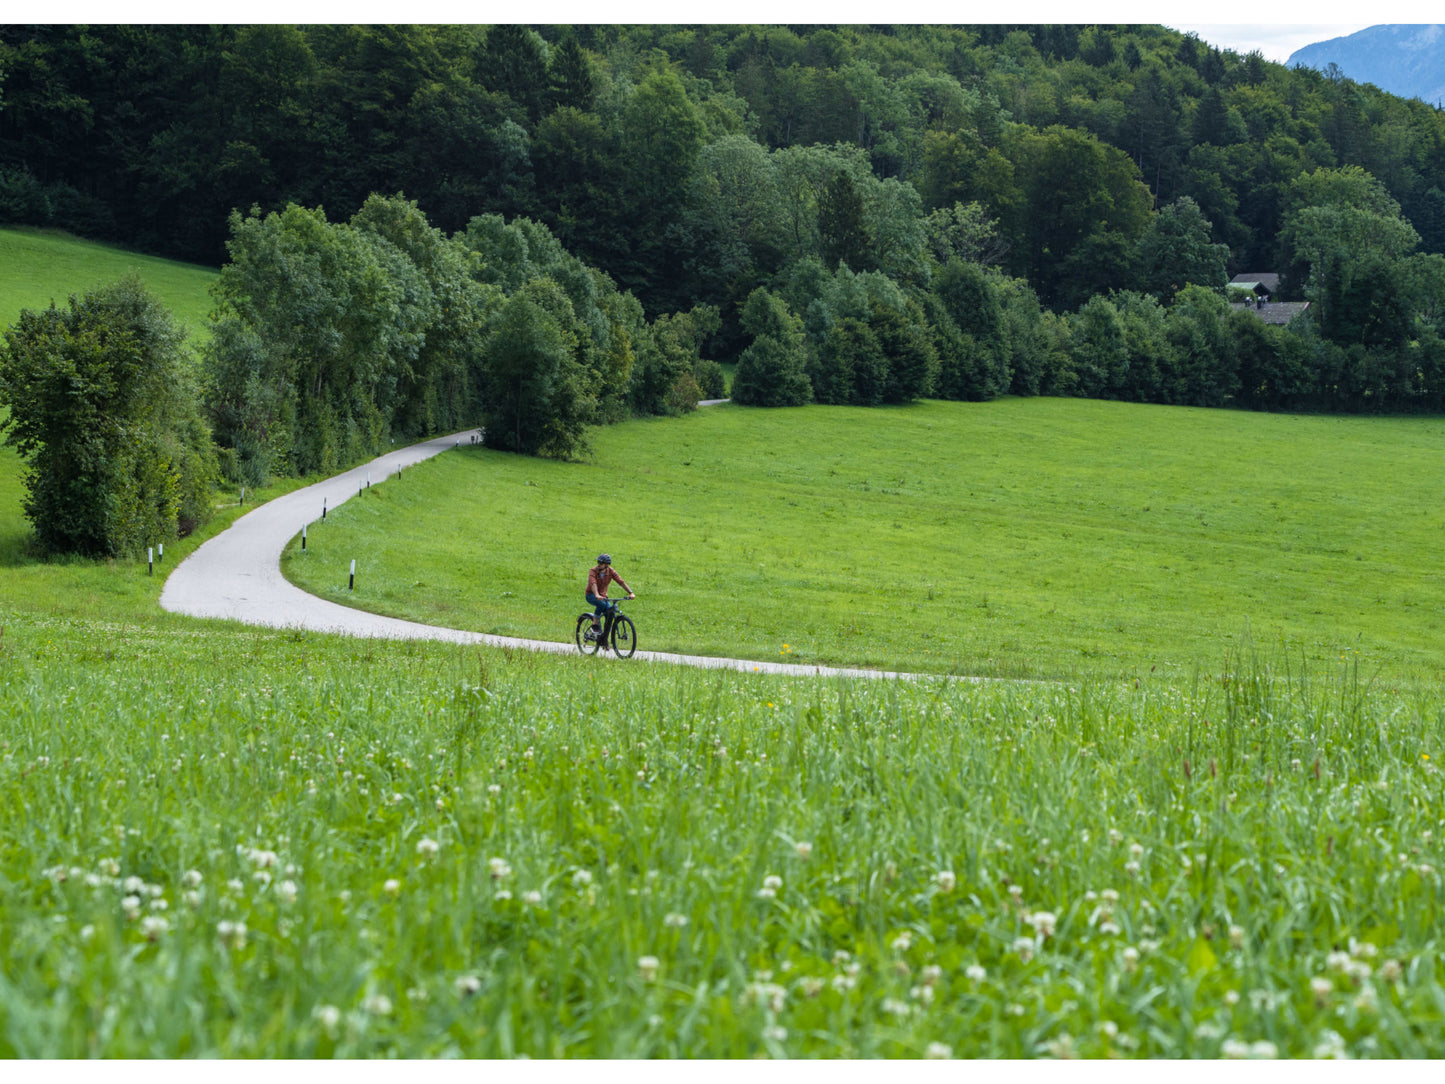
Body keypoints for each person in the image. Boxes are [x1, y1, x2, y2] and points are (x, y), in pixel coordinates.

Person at [585, 553, 634, 642]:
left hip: (603, 596)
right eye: (598, 562)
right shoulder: (593, 571)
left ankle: (604, 639)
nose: (599, 564)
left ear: (607, 565)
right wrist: (596, 594)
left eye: (601, 563)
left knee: (610, 612)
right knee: (601, 604)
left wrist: (630, 592)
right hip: (591, 595)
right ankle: (595, 624)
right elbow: (593, 583)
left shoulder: (611, 571)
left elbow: (621, 582)